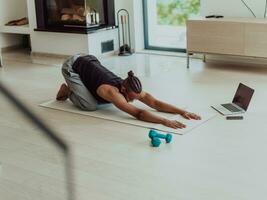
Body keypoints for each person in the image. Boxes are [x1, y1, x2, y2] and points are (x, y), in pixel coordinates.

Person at [56, 54, 201, 129]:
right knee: (91, 105)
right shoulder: (112, 91)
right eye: (131, 98)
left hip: (89, 60)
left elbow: (155, 103)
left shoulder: (131, 87)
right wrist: (164, 121)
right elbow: (139, 113)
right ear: (123, 89)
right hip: (73, 66)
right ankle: (68, 90)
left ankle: (80, 88)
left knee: (106, 102)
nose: (132, 101)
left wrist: (181, 111)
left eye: (136, 98)